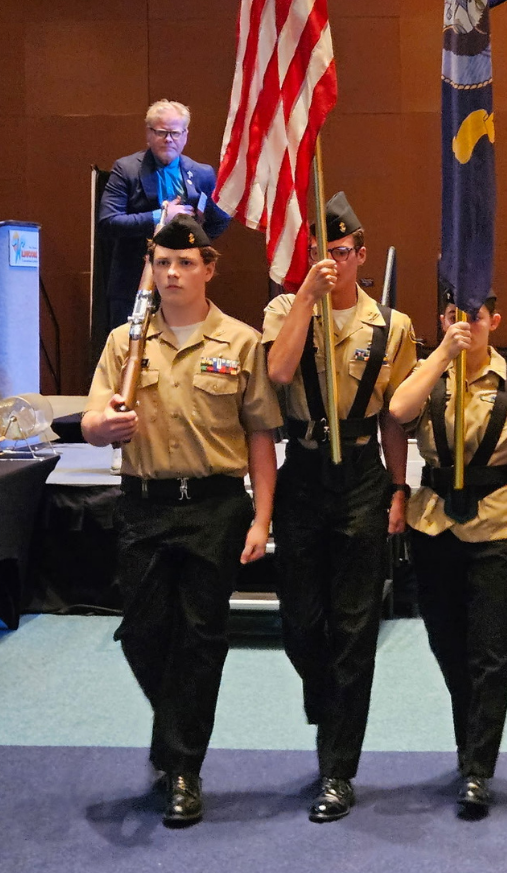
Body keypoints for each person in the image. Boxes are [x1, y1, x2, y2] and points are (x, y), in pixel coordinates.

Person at [81, 215, 281, 827]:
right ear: (152, 268)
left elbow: (260, 435)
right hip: (143, 503)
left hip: (214, 507)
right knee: (142, 634)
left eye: (186, 263)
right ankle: (174, 734)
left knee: (200, 640)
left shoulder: (240, 341)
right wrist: (104, 427)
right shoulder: (125, 341)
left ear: (209, 268)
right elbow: (91, 419)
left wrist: (262, 519)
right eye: (163, 263)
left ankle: (184, 770)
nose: (173, 273)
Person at [264, 192, 418, 823]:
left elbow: (395, 419)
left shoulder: (393, 327)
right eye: (321, 253)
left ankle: (337, 767)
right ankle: (328, 706)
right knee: (301, 623)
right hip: (301, 470)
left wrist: (399, 489)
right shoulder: (284, 307)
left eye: (343, 251)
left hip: (360, 476)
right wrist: (305, 295)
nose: (334, 261)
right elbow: (277, 372)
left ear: (360, 253)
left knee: (355, 628)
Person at [389, 296, 507, 817]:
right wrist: (440, 355)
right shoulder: (427, 373)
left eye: (475, 316)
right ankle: (469, 743)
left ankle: (479, 767)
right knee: (448, 647)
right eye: (454, 315)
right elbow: (397, 413)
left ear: (494, 321)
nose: (466, 324)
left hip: (498, 525)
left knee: (491, 654)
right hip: (433, 524)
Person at [99, 100, 230, 329]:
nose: (169, 139)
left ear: (185, 135)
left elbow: (221, 218)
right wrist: (160, 217)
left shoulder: (201, 173)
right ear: (149, 134)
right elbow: (109, 222)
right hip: (133, 283)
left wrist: (196, 244)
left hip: (184, 285)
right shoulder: (126, 169)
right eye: (161, 132)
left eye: (175, 133)